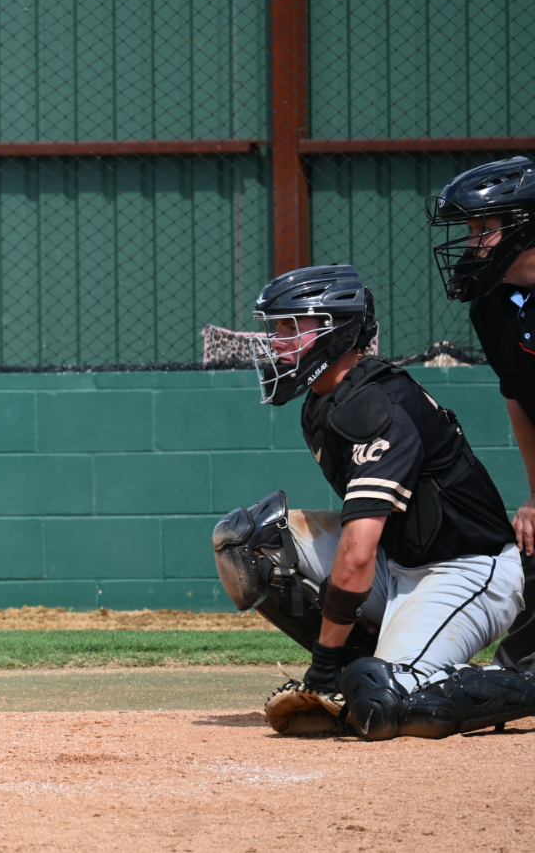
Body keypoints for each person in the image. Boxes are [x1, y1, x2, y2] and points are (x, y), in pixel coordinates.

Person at [211, 264, 535, 740]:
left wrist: (319, 668)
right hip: (399, 562)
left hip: (466, 570)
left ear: (334, 332)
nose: (276, 341)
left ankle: (523, 685)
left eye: (289, 327)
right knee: (250, 543)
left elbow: (358, 552)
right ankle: (354, 673)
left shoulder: (372, 406)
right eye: (275, 327)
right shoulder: (325, 400)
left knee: (390, 702)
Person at [427, 156, 535, 668]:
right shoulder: (493, 307)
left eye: (483, 229)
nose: (471, 244)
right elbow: (520, 398)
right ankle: (516, 672)